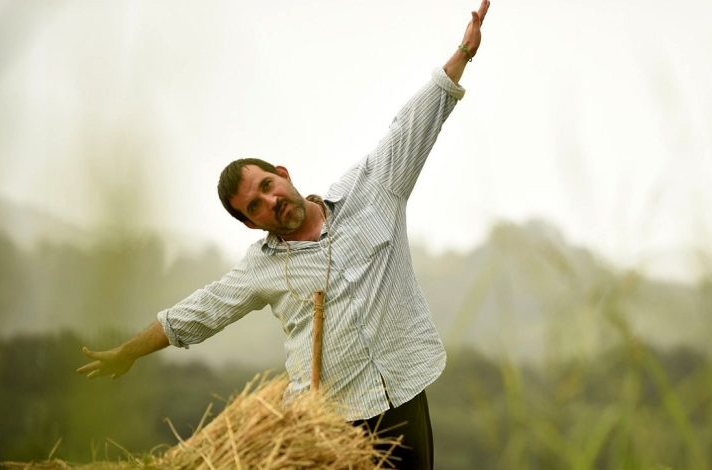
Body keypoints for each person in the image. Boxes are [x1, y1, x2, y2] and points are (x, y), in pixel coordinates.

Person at [77, 1, 490, 468]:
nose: (270, 202)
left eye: (267, 187)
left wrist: (463, 53)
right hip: (331, 421)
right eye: (255, 206)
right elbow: (197, 313)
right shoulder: (262, 268)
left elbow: (411, 125)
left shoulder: (372, 192)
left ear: (283, 174)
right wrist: (128, 352)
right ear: (252, 223)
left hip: (402, 392)